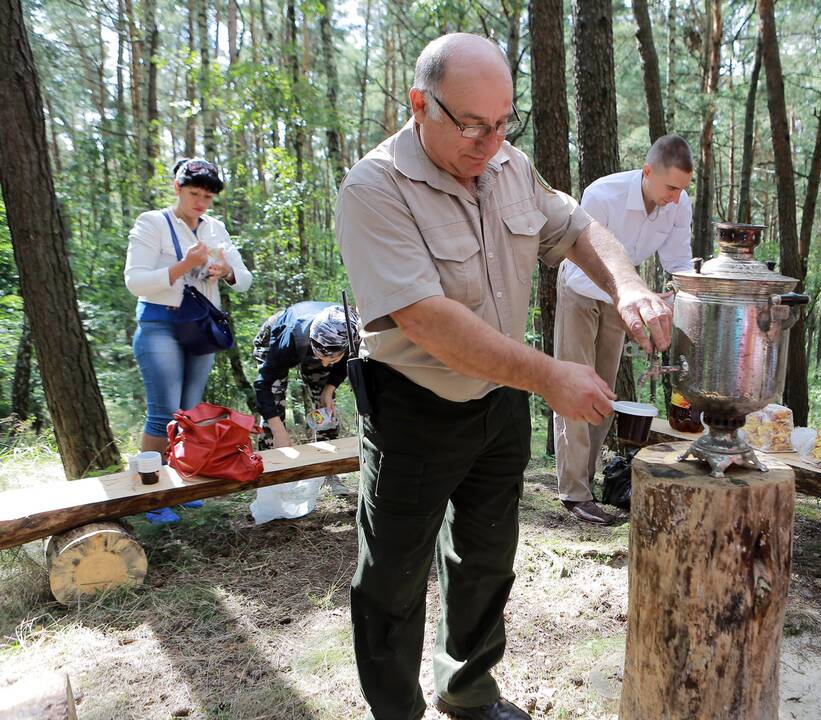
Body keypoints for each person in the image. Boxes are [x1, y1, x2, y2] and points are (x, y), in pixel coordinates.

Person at [336, 33, 671, 720]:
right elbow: (427, 320)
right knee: (392, 580)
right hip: (413, 406)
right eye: (473, 125)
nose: (491, 142)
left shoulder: (508, 165)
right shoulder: (375, 188)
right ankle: (395, 712)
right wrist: (549, 374)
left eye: (503, 123)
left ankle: (467, 691)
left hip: (499, 402)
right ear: (419, 104)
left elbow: (578, 228)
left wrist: (629, 284)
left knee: (485, 561)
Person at [553, 135, 694, 525]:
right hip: (581, 289)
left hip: (624, 300)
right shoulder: (604, 194)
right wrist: (634, 293)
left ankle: (587, 480)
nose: (676, 198)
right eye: (670, 187)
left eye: (683, 189)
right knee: (575, 385)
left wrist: (683, 294)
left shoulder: (679, 205)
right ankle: (573, 493)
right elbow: (582, 257)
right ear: (647, 172)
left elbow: (678, 262)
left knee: (603, 390)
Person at [124, 158, 253, 524]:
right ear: (177, 188)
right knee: (163, 412)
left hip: (201, 328)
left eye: (208, 197)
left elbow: (244, 279)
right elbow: (135, 282)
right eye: (195, 194)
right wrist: (183, 265)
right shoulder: (153, 223)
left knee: (189, 412)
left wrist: (226, 270)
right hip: (160, 324)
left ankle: (180, 485)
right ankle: (151, 495)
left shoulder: (215, 228)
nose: (201, 203)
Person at [250, 302, 359, 513]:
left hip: (324, 344)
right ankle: (270, 480)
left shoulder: (350, 333)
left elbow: (347, 362)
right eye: (322, 358)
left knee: (325, 407)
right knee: (274, 400)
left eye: (331, 360)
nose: (326, 364)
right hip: (275, 339)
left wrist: (329, 388)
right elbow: (263, 384)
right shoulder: (286, 341)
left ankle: (329, 471)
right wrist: (279, 430)